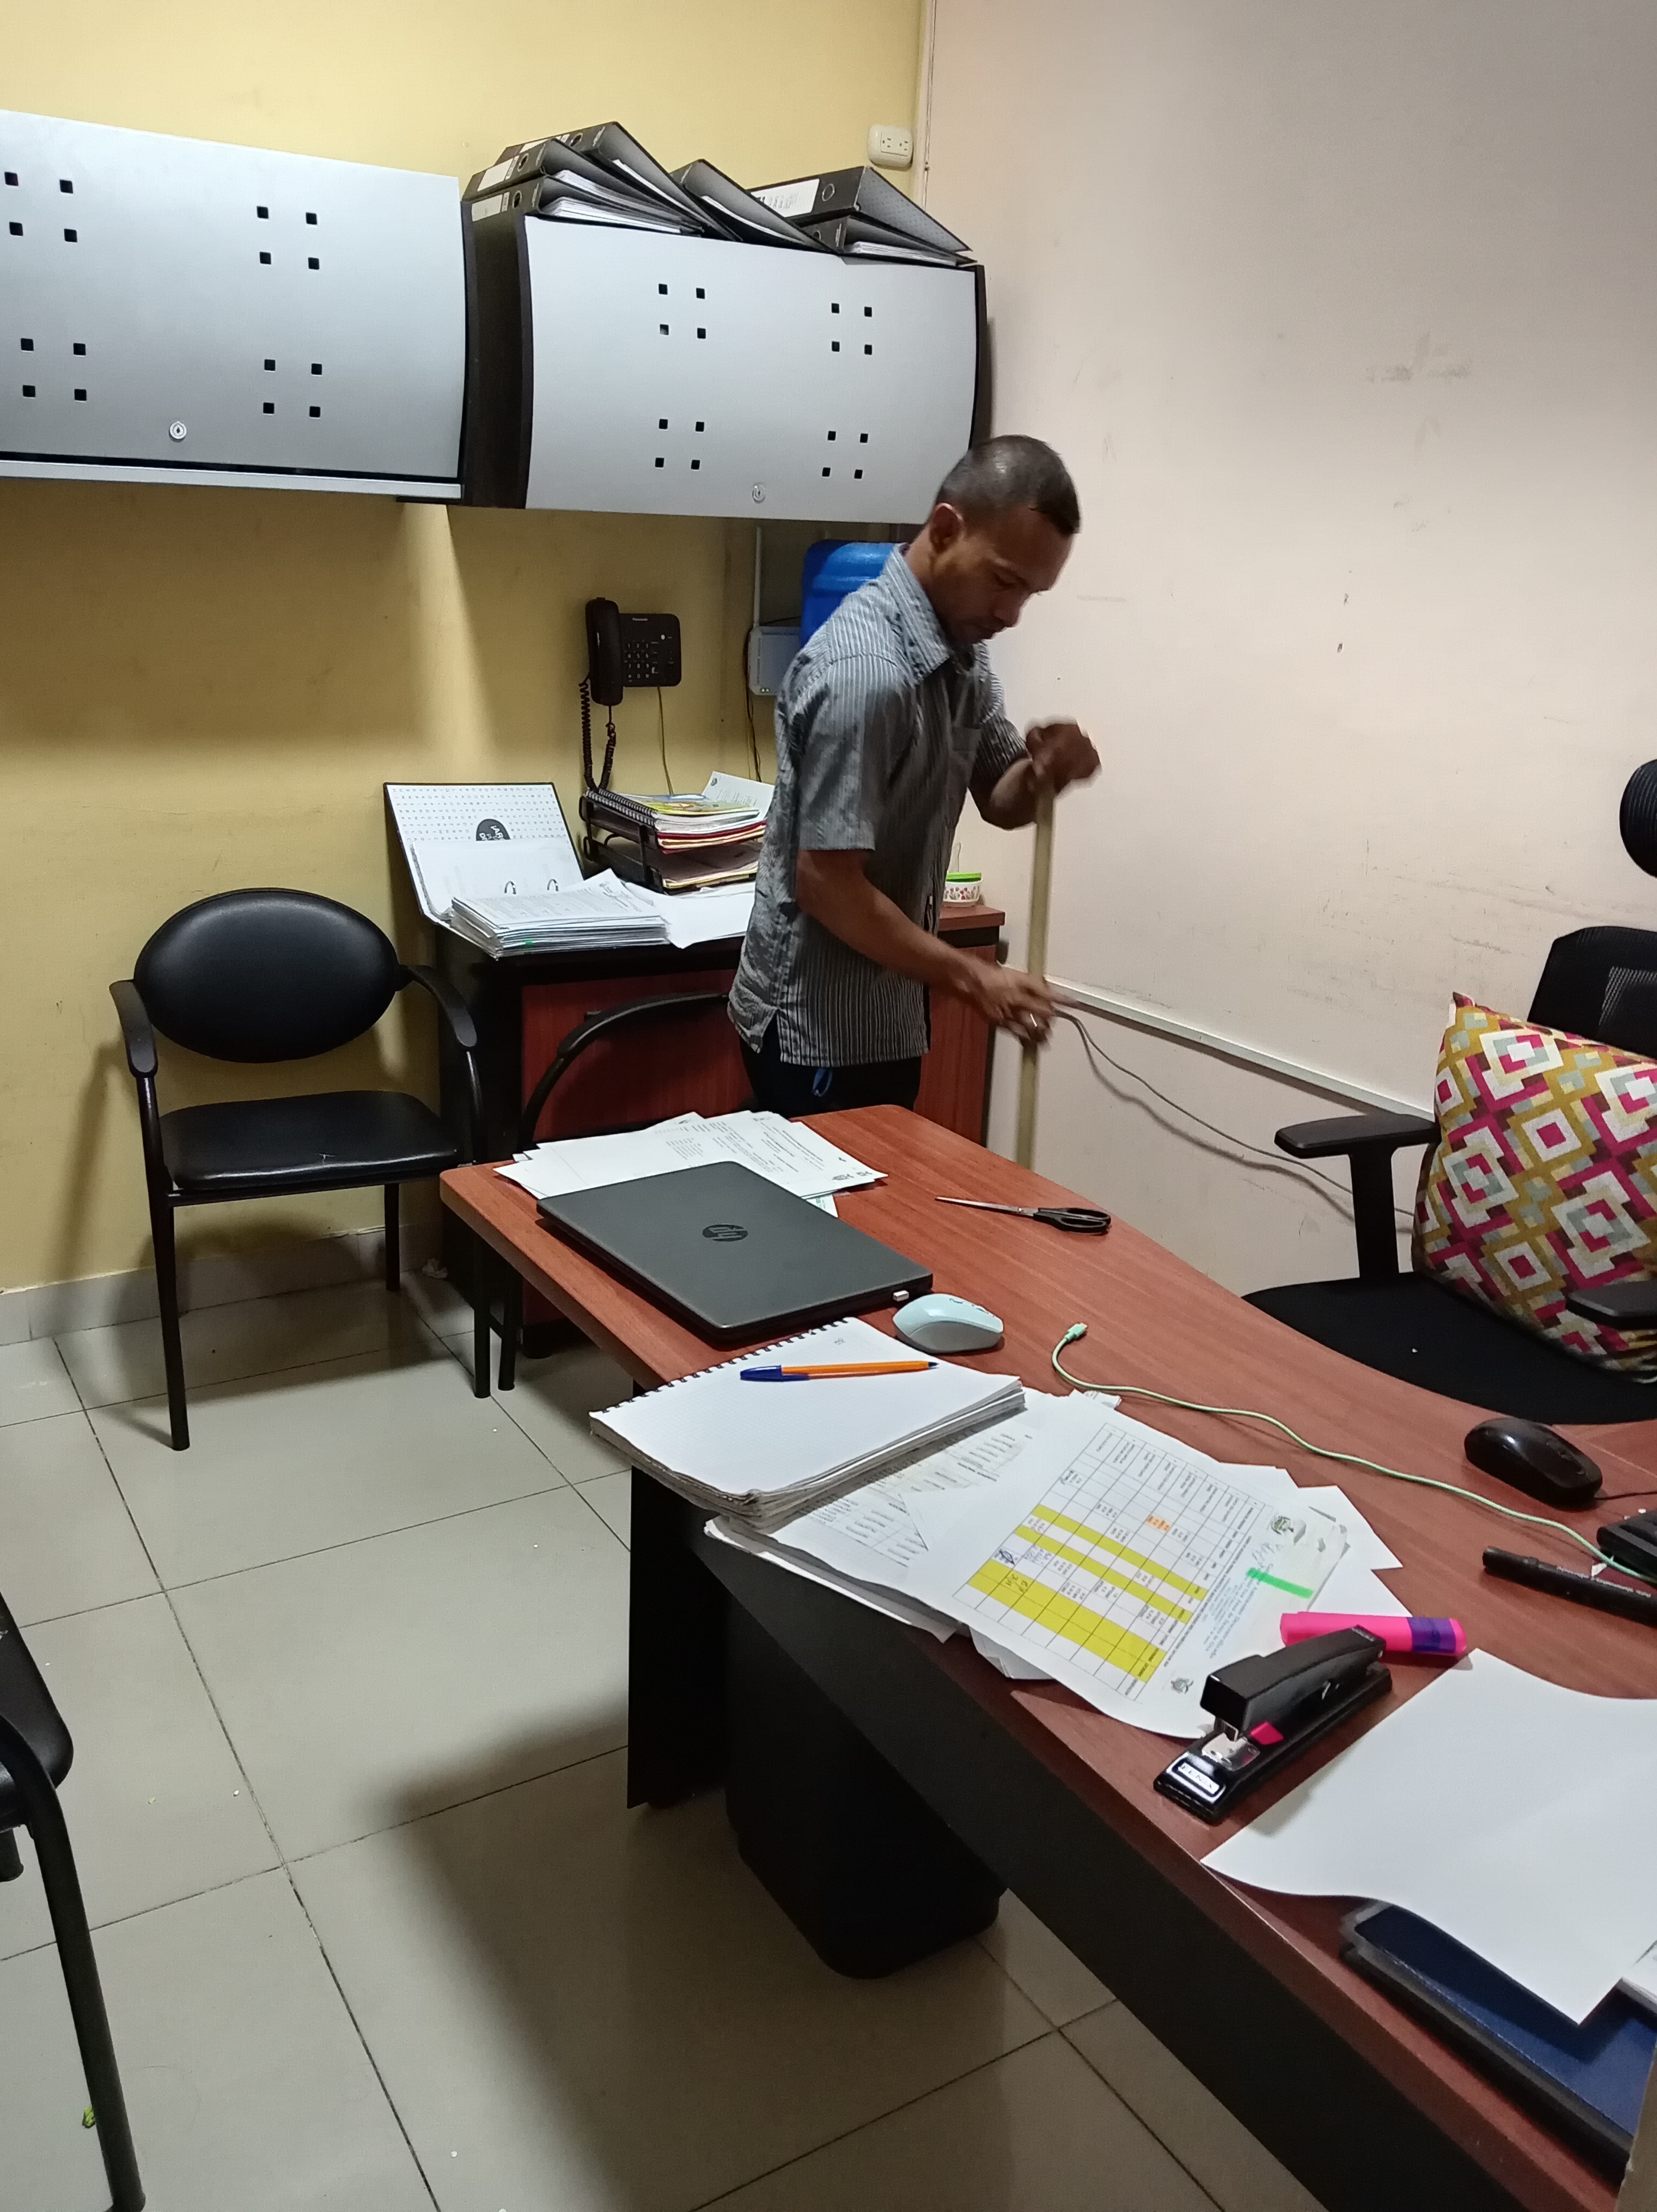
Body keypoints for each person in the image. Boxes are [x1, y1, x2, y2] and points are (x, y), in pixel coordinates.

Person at [729, 434, 1099, 1115]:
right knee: (838, 1188)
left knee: (881, 1185)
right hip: (816, 1029)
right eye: (1004, 581)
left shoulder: (961, 651)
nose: (1011, 614)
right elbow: (826, 885)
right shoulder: (866, 674)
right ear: (946, 528)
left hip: (886, 1011)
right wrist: (972, 978)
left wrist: (1045, 773)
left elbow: (1001, 796)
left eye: (1030, 593)